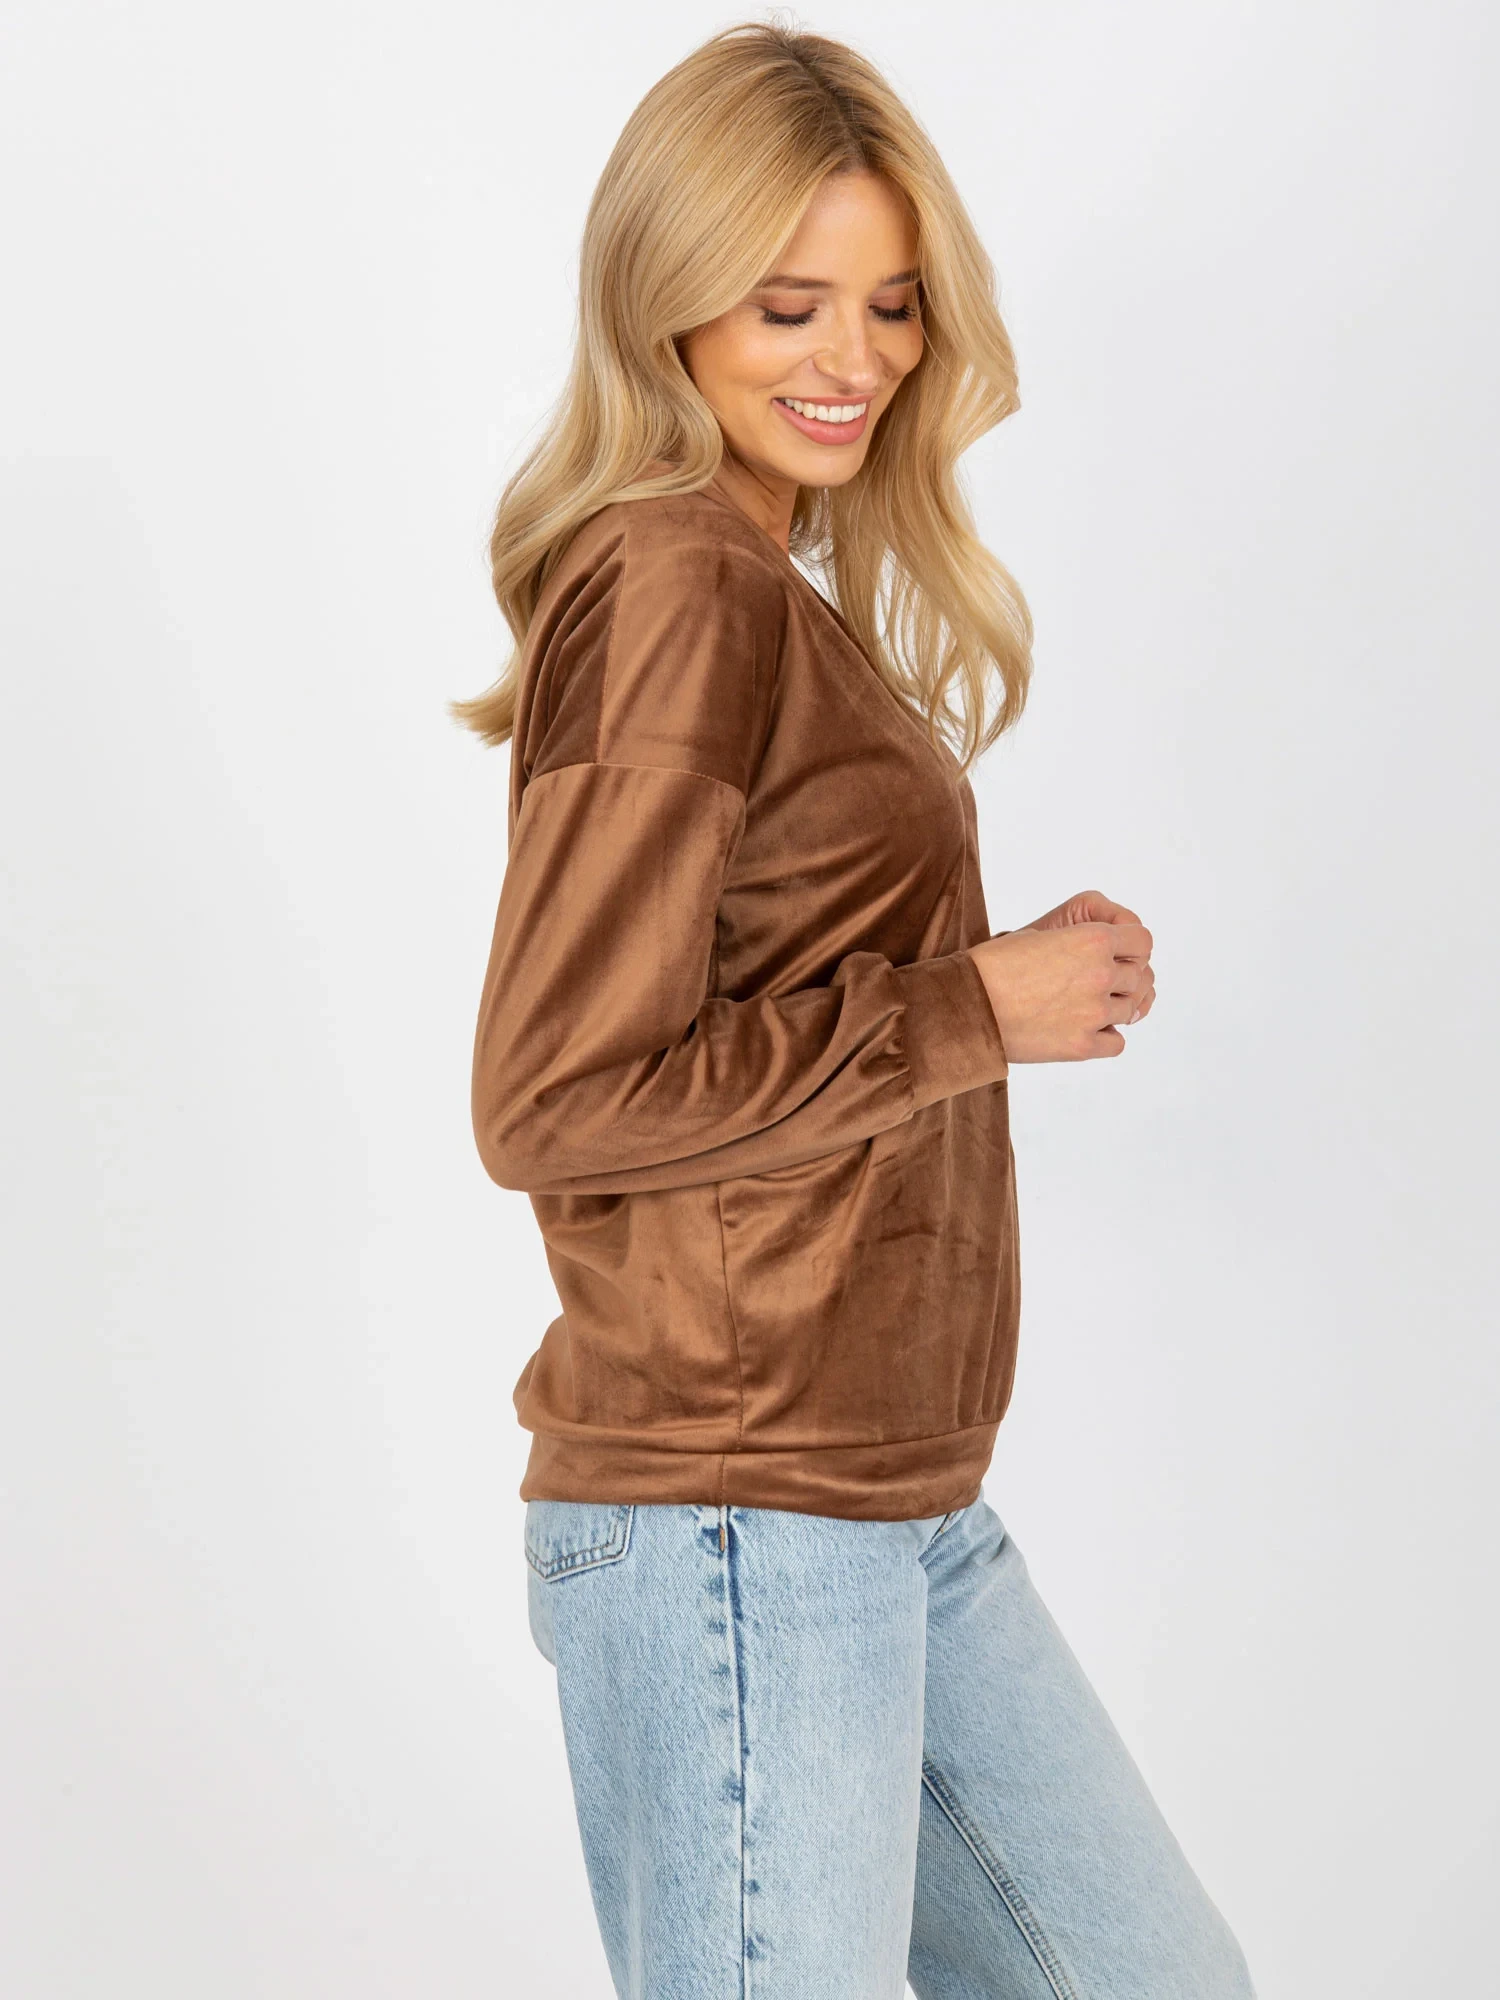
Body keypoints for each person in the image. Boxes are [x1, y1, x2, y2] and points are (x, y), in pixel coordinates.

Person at [452, 21, 1256, 1999]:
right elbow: (555, 1096)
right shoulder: (677, 582)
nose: (857, 355)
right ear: (666, 302)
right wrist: (972, 1005)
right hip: (737, 1512)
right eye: (787, 302)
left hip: (887, 1499)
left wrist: (977, 978)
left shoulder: (757, 586)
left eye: (892, 303)